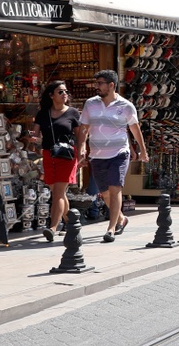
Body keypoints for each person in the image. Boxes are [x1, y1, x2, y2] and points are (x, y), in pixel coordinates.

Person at [80, 69, 147, 242]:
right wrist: (81, 147)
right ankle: (121, 219)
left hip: (119, 153)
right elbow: (84, 128)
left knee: (115, 188)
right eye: (96, 83)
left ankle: (111, 228)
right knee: (105, 193)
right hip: (97, 155)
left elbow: (134, 128)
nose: (97, 87)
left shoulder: (126, 106)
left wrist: (143, 150)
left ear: (111, 85)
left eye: (100, 83)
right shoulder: (90, 104)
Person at [34, 79, 83, 240]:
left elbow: (80, 134)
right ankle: (70, 221)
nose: (64, 94)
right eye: (60, 92)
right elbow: (36, 134)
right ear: (51, 95)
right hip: (49, 154)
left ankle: (53, 227)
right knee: (57, 191)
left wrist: (82, 149)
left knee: (58, 193)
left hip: (67, 155)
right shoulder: (43, 113)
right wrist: (32, 138)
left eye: (66, 91)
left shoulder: (73, 112)